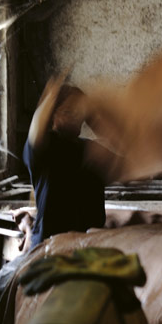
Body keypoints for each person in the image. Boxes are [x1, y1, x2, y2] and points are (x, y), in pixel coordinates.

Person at [23, 75, 106, 248]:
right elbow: (36, 132)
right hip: (49, 247)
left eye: (80, 112)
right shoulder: (45, 147)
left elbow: (124, 163)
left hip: (87, 246)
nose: (76, 116)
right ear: (52, 115)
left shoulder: (90, 149)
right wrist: (51, 96)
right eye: (68, 111)